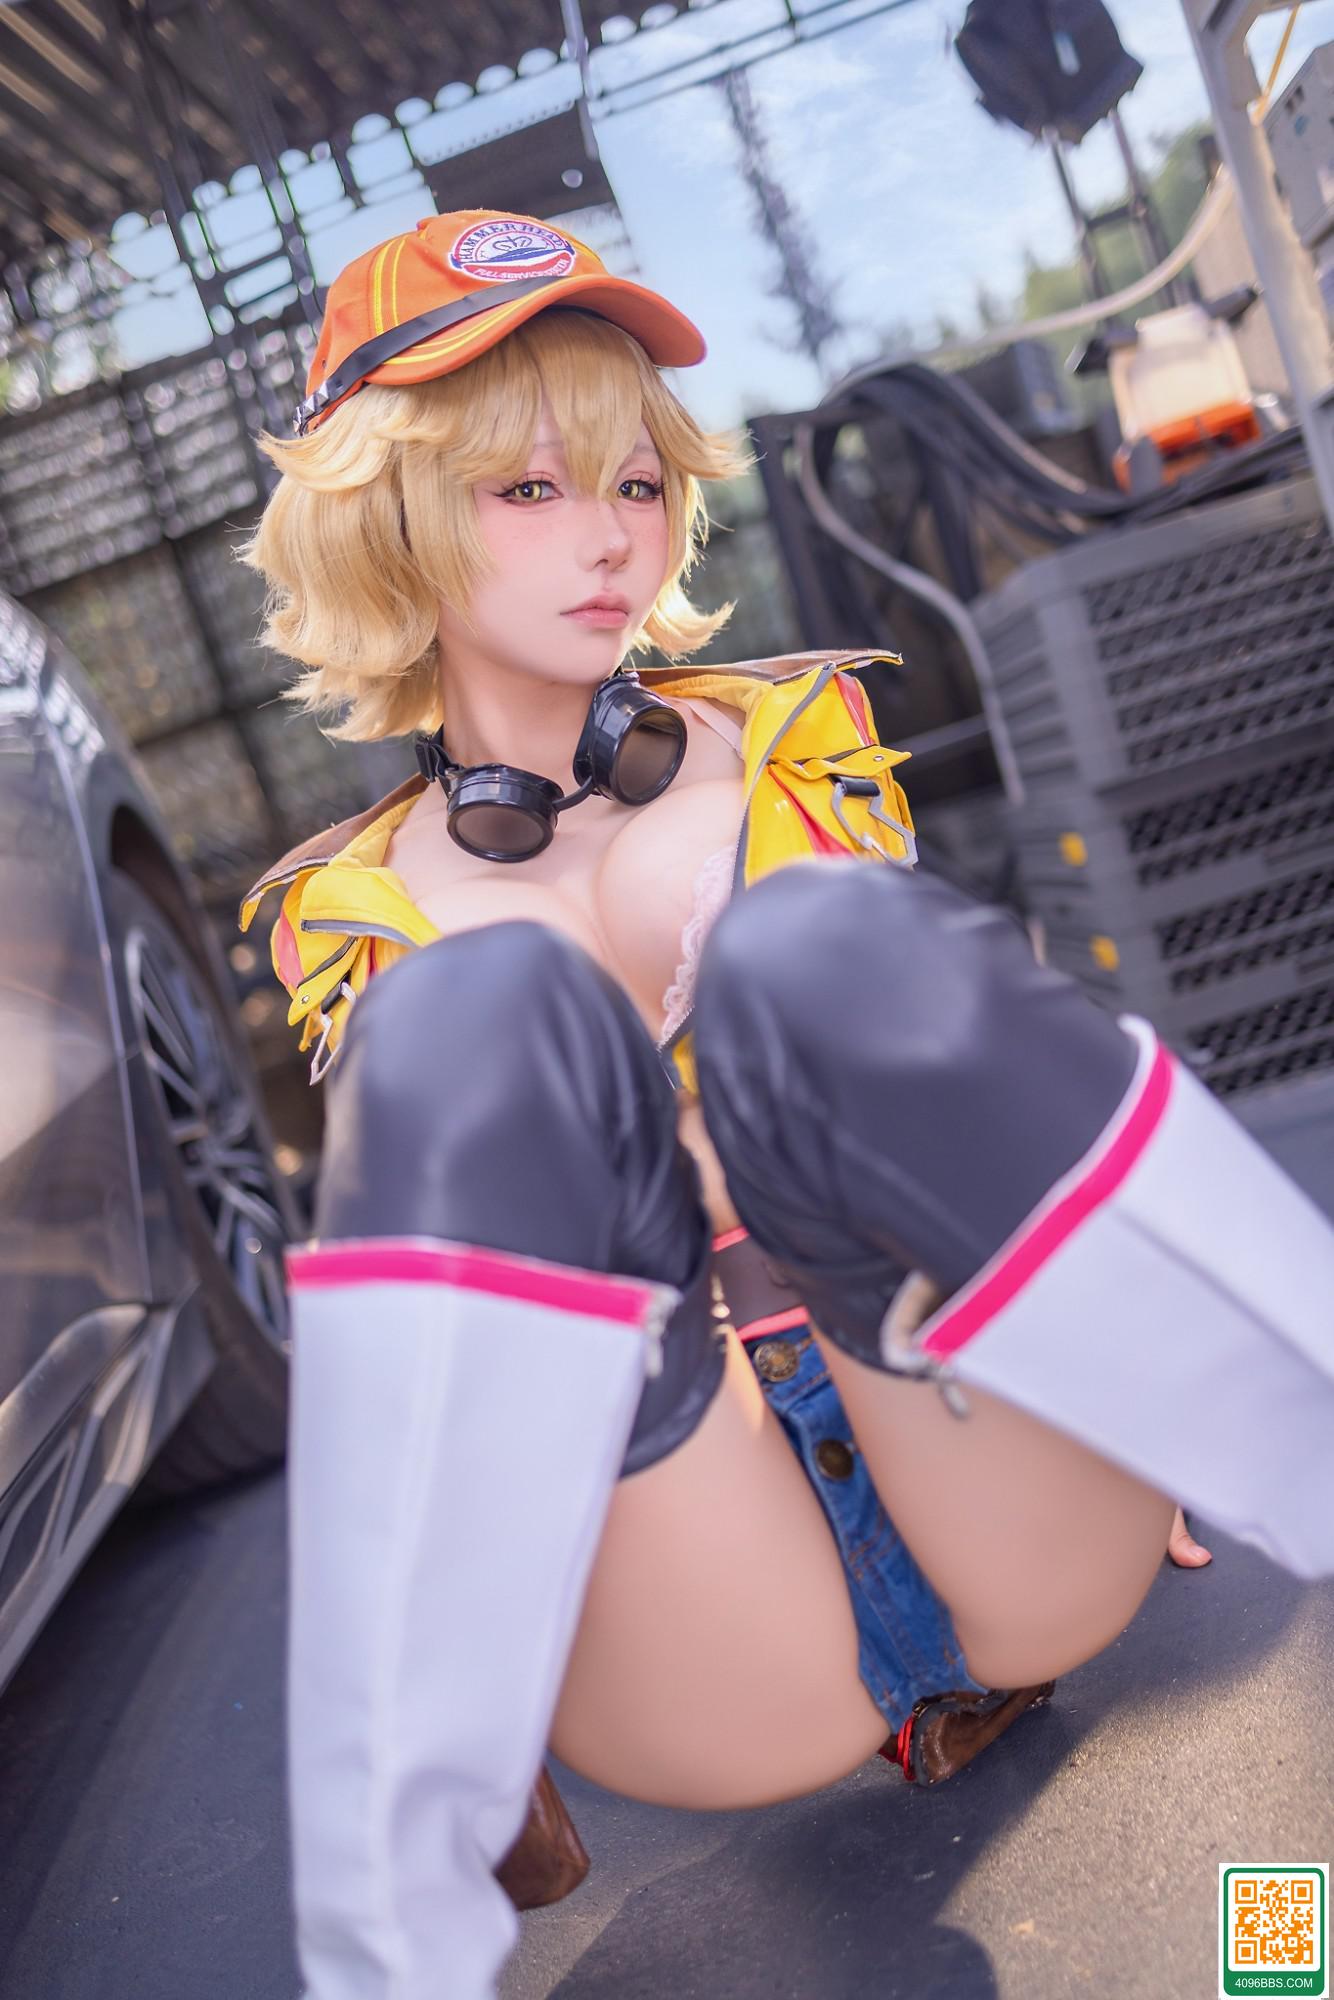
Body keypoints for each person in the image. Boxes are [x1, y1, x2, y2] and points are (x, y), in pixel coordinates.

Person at [239, 210, 1334, 2000]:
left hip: (974, 1443)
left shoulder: (785, 739)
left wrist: (1123, 1339)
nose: (610, 534)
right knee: (473, 1031)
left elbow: (955, 1068)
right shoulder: (345, 911)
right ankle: (389, 1878)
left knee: (821, 950)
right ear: (388, 517)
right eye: (527, 490)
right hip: (698, 1574)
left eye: (634, 479)